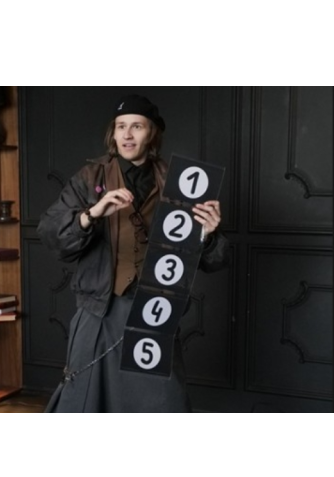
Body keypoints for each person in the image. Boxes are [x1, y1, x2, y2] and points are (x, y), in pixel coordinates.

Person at [37, 94, 230, 412]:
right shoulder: (90, 178)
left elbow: (215, 260)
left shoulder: (181, 183)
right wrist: (92, 214)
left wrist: (207, 236)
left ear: (152, 133)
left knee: (161, 403)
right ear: (112, 134)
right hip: (99, 310)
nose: (127, 135)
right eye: (120, 126)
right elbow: (50, 233)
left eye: (137, 126)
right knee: (86, 402)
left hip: (155, 313)